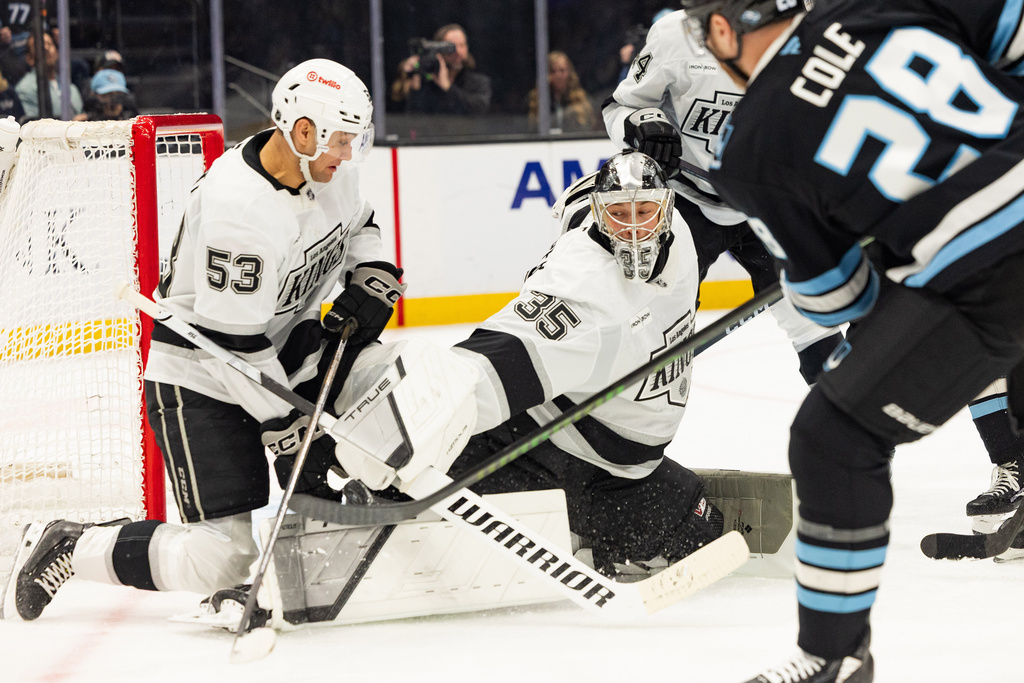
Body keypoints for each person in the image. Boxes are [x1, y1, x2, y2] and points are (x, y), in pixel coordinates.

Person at [679, 0, 1024, 680]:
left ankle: (831, 654)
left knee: (834, 436)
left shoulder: (750, 144)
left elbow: (840, 296)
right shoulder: (874, 4)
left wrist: (887, 267)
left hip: (992, 272)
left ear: (724, 30)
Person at [2, 58, 406, 621]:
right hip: (201, 376)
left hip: (285, 344)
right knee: (222, 558)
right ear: (303, 130)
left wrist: (373, 272)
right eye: (340, 141)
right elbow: (232, 348)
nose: (348, 155)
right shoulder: (241, 211)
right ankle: (71, 543)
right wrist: (294, 433)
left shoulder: (329, 170)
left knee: (391, 383)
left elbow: (361, 225)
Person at [334, 150, 726, 578]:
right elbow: (486, 369)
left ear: (667, 207)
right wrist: (389, 432)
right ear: (600, 216)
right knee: (450, 436)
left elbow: (576, 199)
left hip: (618, 462)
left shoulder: (681, 235)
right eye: (618, 214)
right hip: (550, 444)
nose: (633, 228)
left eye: (645, 211)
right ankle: (395, 497)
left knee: (701, 529)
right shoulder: (585, 296)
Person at [603, 9, 842, 386]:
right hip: (686, 201)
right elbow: (621, 107)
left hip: (767, 200)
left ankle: (849, 437)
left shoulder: (812, 32)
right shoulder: (674, 33)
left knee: (818, 333)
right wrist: (642, 123)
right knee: (655, 339)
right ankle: (635, 440)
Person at [390, 23, 491, 116]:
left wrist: (447, 87)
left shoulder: (478, 82)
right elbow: (406, 117)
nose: (457, 51)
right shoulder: (427, 81)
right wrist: (411, 77)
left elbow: (479, 111)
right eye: (451, 47)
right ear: (438, 50)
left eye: (462, 45)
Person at [14, 30, 82, 120]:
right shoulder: (25, 88)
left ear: (57, 52)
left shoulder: (70, 87)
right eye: (39, 45)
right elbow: (35, 126)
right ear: (29, 59)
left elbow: (82, 115)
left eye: (49, 44)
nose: (46, 48)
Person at [528, 51, 598, 133]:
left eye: (562, 70)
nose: (558, 75)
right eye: (553, 71)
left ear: (569, 73)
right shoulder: (536, 100)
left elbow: (587, 129)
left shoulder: (581, 100)